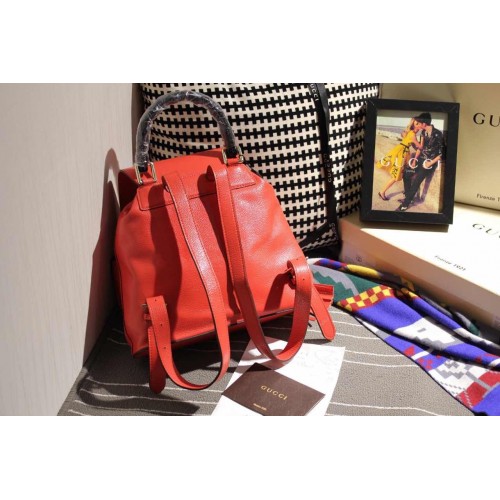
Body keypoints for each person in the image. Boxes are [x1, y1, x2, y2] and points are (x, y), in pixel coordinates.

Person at [396, 112, 444, 212]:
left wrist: (430, 163)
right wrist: (414, 160)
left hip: (430, 162)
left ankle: (405, 204)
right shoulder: (423, 132)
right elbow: (420, 148)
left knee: (417, 181)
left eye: (419, 123)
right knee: (406, 174)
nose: (417, 125)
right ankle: (409, 197)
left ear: (424, 124)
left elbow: (442, 153)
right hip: (421, 159)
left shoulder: (438, 134)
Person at [376, 118, 424, 201]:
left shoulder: (410, 132)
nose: (421, 125)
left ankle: (405, 191)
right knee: (396, 176)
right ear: (415, 126)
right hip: (402, 153)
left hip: (401, 150)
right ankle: (382, 192)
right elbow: (420, 147)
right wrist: (422, 138)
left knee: (399, 173)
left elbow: (407, 139)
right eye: (419, 124)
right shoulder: (413, 135)